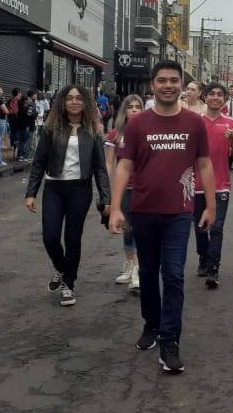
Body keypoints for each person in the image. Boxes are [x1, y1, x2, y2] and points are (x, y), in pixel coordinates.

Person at [109, 60, 216, 374]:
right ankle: (151, 325)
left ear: (181, 84)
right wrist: (116, 207)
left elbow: (205, 165)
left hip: (179, 213)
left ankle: (171, 340)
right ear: (152, 85)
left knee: (173, 274)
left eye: (174, 80)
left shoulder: (194, 123)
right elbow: (124, 167)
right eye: (162, 81)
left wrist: (210, 206)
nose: (168, 85)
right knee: (149, 274)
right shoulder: (139, 123)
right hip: (143, 211)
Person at [26, 84, 111, 309]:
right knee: (51, 237)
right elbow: (39, 162)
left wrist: (107, 199)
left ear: (86, 103)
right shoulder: (51, 128)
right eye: (70, 98)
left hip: (79, 190)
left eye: (79, 98)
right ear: (62, 102)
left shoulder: (93, 131)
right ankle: (62, 268)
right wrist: (31, 193)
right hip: (54, 188)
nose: (74, 102)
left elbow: (101, 168)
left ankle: (68, 284)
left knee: (73, 239)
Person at [194, 83, 233, 288]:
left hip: (221, 184)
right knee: (201, 227)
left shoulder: (232, 123)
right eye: (211, 94)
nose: (215, 97)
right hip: (196, 184)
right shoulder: (195, 122)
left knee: (218, 227)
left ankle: (213, 268)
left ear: (225, 99)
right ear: (204, 98)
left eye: (219, 95)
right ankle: (203, 258)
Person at [105, 94, 145, 292]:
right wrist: (107, 189)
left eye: (138, 106)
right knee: (126, 228)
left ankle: (139, 268)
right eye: (131, 106)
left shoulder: (148, 131)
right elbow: (109, 162)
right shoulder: (115, 134)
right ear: (125, 110)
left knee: (139, 228)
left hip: (143, 188)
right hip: (124, 189)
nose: (135, 109)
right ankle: (130, 264)